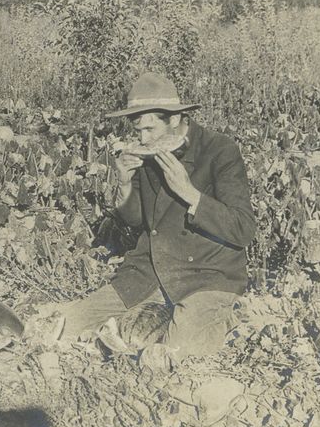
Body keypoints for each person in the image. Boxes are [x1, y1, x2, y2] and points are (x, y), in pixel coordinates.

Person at [45, 72, 256, 358]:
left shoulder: (219, 150)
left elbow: (243, 229)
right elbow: (136, 220)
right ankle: (153, 322)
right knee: (65, 327)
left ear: (175, 119)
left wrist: (189, 193)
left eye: (150, 130)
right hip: (150, 271)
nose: (143, 139)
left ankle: (226, 317)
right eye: (137, 132)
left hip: (206, 276)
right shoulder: (147, 154)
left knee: (171, 354)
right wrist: (123, 181)